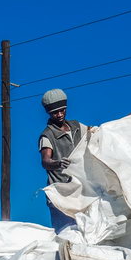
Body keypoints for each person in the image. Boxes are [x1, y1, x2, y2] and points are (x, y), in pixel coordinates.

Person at [38, 88, 88, 231]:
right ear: (48, 112)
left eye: (62, 110)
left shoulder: (77, 127)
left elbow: (97, 133)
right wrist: (58, 163)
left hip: (81, 192)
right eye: (55, 112)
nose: (59, 114)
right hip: (61, 196)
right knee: (66, 234)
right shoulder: (47, 136)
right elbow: (45, 161)